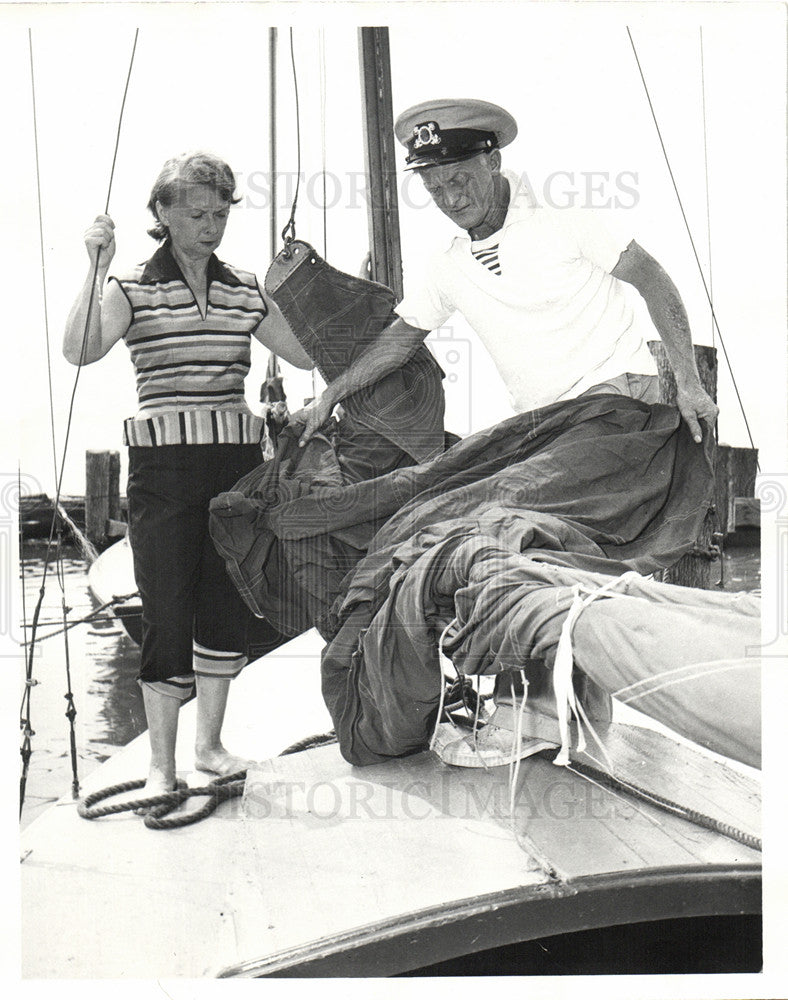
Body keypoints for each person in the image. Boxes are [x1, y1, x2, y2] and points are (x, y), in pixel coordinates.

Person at [63, 151, 314, 801]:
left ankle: (209, 746)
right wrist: (93, 267)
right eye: (197, 213)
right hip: (165, 472)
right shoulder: (130, 288)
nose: (210, 225)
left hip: (236, 470)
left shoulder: (244, 286)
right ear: (164, 214)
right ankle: (160, 766)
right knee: (166, 611)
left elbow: (306, 354)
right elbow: (78, 349)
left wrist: (299, 287)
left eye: (221, 213)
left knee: (225, 607)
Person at [292, 98, 719, 446]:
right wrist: (328, 397)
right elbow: (398, 342)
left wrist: (689, 383)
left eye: (459, 180)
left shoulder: (562, 215)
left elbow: (654, 280)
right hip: (546, 424)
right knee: (459, 494)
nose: (452, 200)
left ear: (492, 161)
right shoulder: (449, 265)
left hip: (614, 400)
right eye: (434, 189)